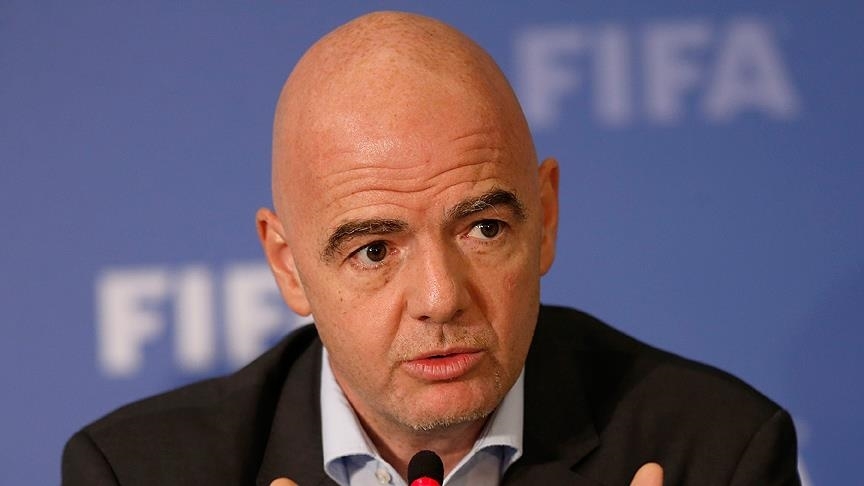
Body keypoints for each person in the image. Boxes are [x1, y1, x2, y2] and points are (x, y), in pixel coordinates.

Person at [62, 11, 800, 486]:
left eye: (484, 229)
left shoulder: (716, 452)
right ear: (288, 266)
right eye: (374, 250)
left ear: (544, 218)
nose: (441, 299)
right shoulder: (137, 473)